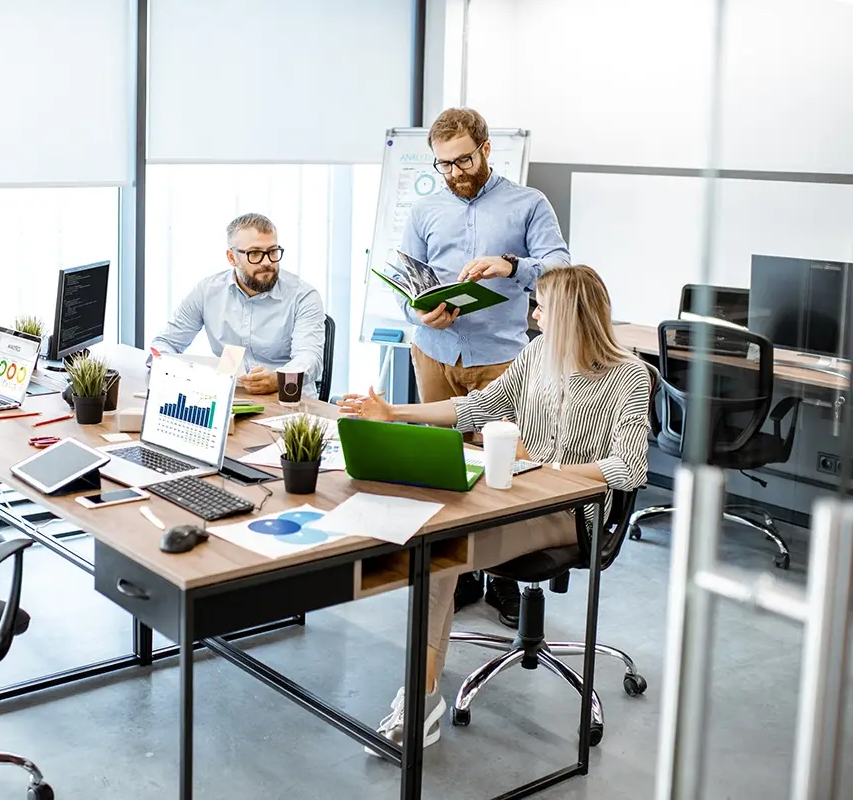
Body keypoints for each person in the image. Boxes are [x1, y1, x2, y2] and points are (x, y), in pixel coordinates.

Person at [339, 265, 651, 751]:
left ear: (566, 315)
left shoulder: (628, 376)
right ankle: (422, 698)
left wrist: (545, 462)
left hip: (571, 512)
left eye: (541, 306)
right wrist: (395, 412)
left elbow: (629, 468)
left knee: (441, 551)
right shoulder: (537, 353)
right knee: (435, 544)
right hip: (514, 495)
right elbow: (477, 407)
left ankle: (419, 700)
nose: (533, 314)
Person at [400, 107, 572, 626]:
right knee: (439, 464)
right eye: (444, 164)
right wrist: (419, 308)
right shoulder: (425, 210)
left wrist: (511, 265)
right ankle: (457, 573)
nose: (454, 173)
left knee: (501, 469)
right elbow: (407, 281)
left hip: (501, 357)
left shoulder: (527, 204)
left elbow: (563, 268)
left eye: (463, 160)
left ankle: (502, 576)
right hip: (435, 350)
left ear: (486, 148)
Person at [150, 213, 326, 397]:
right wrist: (170, 369)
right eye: (255, 253)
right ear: (232, 258)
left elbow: (309, 358)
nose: (267, 262)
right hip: (231, 399)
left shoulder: (304, 296)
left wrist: (277, 379)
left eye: (273, 251)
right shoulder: (207, 290)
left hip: (287, 402)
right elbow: (166, 343)